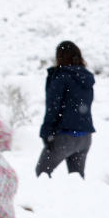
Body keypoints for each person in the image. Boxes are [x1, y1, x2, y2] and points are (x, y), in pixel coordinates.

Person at [36, 40, 96, 178]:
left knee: (42, 172)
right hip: (85, 137)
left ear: (60, 57)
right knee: (76, 177)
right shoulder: (86, 78)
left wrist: (46, 133)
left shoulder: (61, 77)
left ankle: (44, 199)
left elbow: (53, 107)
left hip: (65, 136)